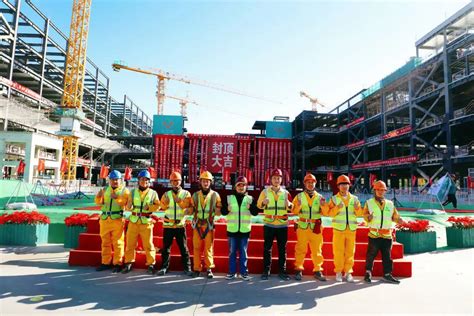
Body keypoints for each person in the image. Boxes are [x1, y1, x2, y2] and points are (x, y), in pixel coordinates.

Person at [363, 180, 404, 284]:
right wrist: (368, 217)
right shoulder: (369, 203)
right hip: (374, 234)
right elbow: (364, 215)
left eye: (383, 190)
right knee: (370, 255)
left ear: (385, 191)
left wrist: (399, 220)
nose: (381, 192)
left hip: (386, 235)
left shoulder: (390, 204)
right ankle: (368, 273)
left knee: (387, 256)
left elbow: (395, 216)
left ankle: (387, 274)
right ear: (374, 190)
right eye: (378, 190)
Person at [221, 176, 260, 281]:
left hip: (244, 231)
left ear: (246, 187)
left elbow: (255, 213)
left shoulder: (250, 199)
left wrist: (250, 207)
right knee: (232, 252)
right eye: (239, 185)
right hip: (232, 230)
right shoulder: (229, 198)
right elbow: (223, 212)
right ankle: (232, 272)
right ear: (235, 187)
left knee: (243, 253)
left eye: (243, 185)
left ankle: (244, 273)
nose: (241, 187)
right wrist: (227, 209)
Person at [121, 170, 160, 274]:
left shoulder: (153, 193)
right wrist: (129, 207)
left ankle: (151, 264)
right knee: (130, 244)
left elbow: (158, 206)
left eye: (146, 180)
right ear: (138, 180)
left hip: (146, 222)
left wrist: (150, 207)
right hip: (134, 221)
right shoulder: (133, 192)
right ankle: (129, 263)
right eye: (142, 179)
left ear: (149, 181)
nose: (144, 182)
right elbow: (128, 206)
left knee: (148, 244)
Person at [257, 168, 293, 281]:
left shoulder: (286, 193)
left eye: (278, 178)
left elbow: (291, 208)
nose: (276, 180)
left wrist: (290, 204)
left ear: (281, 180)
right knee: (267, 249)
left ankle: (282, 271)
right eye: (274, 178)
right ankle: (266, 271)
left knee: (282, 249)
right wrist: (263, 203)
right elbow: (259, 205)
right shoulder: (265, 192)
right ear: (271, 179)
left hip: (282, 225)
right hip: (269, 224)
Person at [291, 173, 329, 281]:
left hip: (315, 228)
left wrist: (323, 206)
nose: (310, 184)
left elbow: (326, 213)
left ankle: (318, 270)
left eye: (312, 182)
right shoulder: (299, 197)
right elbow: (294, 211)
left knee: (317, 250)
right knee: (300, 249)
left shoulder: (320, 197)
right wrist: (297, 205)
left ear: (315, 183)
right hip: (302, 226)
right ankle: (298, 269)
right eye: (308, 182)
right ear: (305, 184)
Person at [326, 174, 363, 282]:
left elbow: (360, 214)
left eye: (346, 184)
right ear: (338, 186)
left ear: (349, 185)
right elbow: (329, 214)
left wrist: (357, 209)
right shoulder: (334, 199)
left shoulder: (355, 199)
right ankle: (338, 272)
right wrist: (337, 208)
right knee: (338, 252)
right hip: (338, 230)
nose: (344, 186)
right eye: (342, 184)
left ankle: (348, 272)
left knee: (350, 252)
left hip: (351, 230)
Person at [156, 171, 193, 276]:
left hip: (180, 225)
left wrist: (179, 201)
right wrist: (165, 204)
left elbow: (187, 206)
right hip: (168, 225)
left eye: (177, 181)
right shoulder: (166, 194)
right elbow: (161, 207)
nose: (175, 183)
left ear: (181, 181)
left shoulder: (186, 194)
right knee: (166, 248)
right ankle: (164, 267)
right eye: (173, 181)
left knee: (184, 248)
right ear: (170, 182)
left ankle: (187, 268)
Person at [95, 170, 130, 273]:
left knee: (118, 242)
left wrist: (117, 198)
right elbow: (99, 203)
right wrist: (98, 197)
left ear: (120, 180)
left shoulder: (125, 191)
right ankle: (105, 262)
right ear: (109, 180)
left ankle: (118, 263)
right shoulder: (105, 189)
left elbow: (127, 205)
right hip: (105, 219)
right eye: (112, 179)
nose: (114, 181)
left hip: (117, 219)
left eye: (116, 180)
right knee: (105, 242)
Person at [190, 171, 222, 278]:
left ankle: (209, 268)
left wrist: (219, 210)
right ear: (201, 182)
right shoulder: (195, 195)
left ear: (210, 182)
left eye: (207, 181)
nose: (206, 183)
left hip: (209, 225)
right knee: (196, 247)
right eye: (204, 181)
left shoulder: (215, 195)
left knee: (209, 247)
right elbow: (191, 208)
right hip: (197, 225)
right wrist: (187, 210)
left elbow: (219, 208)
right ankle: (197, 268)